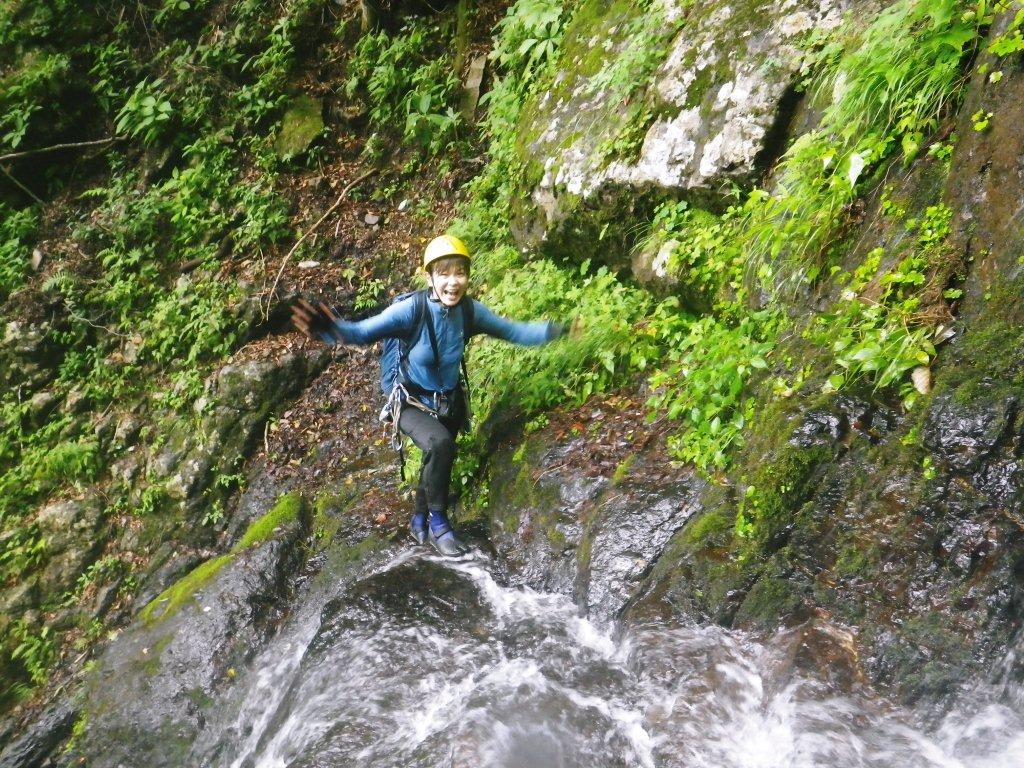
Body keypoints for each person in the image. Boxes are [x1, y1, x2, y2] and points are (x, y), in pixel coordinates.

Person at [291, 234, 573, 556]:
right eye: (444, 273)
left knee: (436, 455)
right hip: (409, 401)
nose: (453, 282)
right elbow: (361, 332)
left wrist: (556, 330)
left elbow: (514, 331)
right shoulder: (411, 311)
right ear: (429, 277)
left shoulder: (470, 312)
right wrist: (329, 329)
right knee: (440, 445)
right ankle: (440, 524)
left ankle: (418, 518)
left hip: (448, 402)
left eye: (460, 273)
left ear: (468, 276)